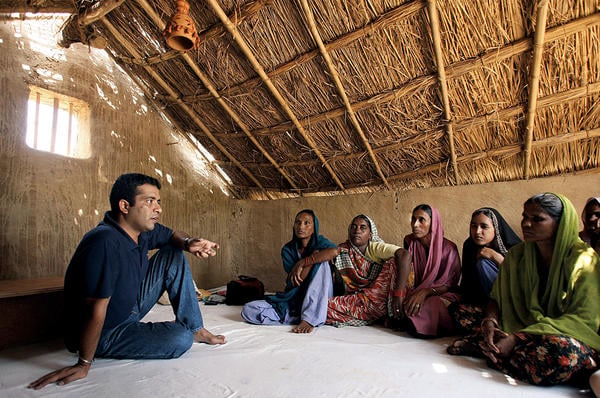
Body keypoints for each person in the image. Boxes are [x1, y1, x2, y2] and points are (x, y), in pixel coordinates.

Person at [28, 173, 225, 390]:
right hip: (105, 330)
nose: (158, 208)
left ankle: (195, 327)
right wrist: (84, 363)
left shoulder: (140, 231)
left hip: (128, 308)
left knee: (174, 253)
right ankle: (186, 333)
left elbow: (171, 236)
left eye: (158, 202)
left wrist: (189, 243)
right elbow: (96, 308)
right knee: (180, 340)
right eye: (149, 201)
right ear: (124, 206)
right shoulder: (104, 243)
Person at [447, 193, 600, 387]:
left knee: (563, 353)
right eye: (525, 217)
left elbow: (583, 320)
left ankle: (489, 349)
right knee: (460, 311)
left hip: (561, 333)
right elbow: (497, 298)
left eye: (537, 219)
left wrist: (517, 338)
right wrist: (490, 322)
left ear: (560, 223)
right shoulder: (518, 255)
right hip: (519, 322)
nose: (526, 224)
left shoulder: (583, 259)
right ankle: (497, 346)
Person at [241, 209, 338, 333]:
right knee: (249, 309)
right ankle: (294, 316)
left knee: (323, 262)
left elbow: (334, 251)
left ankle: (309, 318)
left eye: (307, 223)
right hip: (294, 295)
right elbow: (298, 279)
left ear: (314, 227)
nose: (301, 226)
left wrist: (304, 262)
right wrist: (314, 258)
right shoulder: (288, 249)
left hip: (319, 296)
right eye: (298, 222)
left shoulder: (320, 243)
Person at [388, 204, 461, 338]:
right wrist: (401, 294)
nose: (415, 224)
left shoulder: (449, 248)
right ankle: (412, 321)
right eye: (413, 219)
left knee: (432, 303)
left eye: (422, 220)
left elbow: (449, 284)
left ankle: (422, 326)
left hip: (441, 293)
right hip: (416, 290)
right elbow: (408, 274)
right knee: (392, 269)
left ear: (433, 223)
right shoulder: (410, 241)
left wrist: (425, 292)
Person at [326, 215, 410, 327]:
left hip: (383, 300)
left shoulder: (375, 248)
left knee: (394, 262)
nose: (357, 231)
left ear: (370, 235)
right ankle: (375, 316)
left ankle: (391, 315)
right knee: (323, 306)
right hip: (360, 301)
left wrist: (398, 295)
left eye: (362, 228)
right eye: (354, 227)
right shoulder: (343, 250)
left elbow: (405, 254)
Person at [448, 208, 521, 334]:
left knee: (484, 264)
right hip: (486, 305)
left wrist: (496, 257)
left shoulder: (515, 249)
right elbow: (468, 285)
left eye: (484, 227)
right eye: (474, 226)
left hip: (513, 306)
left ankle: (501, 325)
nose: (477, 232)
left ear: (495, 229)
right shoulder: (469, 246)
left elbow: (522, 283)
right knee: (455, 311)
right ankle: (493, 327)